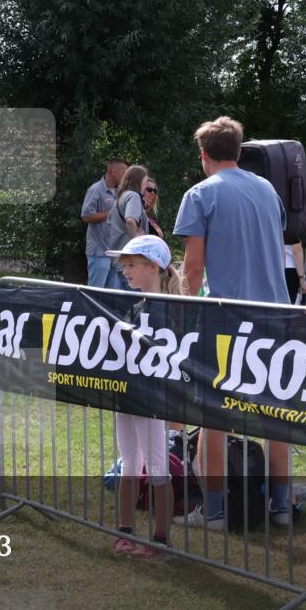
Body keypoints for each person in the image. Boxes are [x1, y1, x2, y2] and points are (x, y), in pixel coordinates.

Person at [172, 116, 291, 529]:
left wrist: (184, 316)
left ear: (203, 155)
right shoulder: (267, 189)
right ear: (238, 152)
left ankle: (216, 511)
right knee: (276, 414)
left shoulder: (200, 194)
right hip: (276, 315)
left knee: (213, 415)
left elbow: (191, 270)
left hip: (225, 319)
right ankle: (280, 506)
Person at [105, 235, 186, 559]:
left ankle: (160, 540)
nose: (125, 271)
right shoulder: (134, 306)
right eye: (124, 265)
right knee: (129, 465)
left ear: (153, 267)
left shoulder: (171, 310)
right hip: (127, 397)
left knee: (156, 467)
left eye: (131, 264)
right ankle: (124, 532)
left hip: (151, 402)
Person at [81, 158, 128, 287]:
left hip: (114, 251)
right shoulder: (95, 190)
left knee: (111, 294)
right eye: (124, 172)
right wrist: (111, 213)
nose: (126, 176)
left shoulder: (121, 192)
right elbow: (86, 216)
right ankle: (88, 308)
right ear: (113, 171)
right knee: (95, 292)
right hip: (99, 250)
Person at [104, 165, 149, 290]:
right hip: (131, 261)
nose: (146, 186)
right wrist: (137, 240)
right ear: (138, 181)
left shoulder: (119, 199)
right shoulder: (133, 197)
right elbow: (130, 220)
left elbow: (109, 223)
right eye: (145, 182)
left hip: (119, 260)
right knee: (135, 306)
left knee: (120, 306)